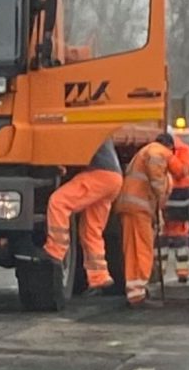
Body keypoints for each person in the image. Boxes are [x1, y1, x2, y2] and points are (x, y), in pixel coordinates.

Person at [40, 137, 125, 294]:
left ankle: (55, 250)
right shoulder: (98, 130)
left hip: (99, 174)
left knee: (59, 202)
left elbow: (71, 148)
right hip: (114, 178)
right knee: (91, 230)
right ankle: (99, 276)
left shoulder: (80, 128)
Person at [115, 131, 174, 307]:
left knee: (131, 250)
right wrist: (160, 192)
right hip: (139, 209)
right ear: (169, 147)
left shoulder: (142, 153)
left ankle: (135, 293)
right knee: (142, 250)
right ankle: (139, 292)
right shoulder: (157, 151)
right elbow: (156, 181)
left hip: (129, 206)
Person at [162, 122, 189, 285]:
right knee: (161, 233)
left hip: (178, 194)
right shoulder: (159, 147)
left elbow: (182, 171)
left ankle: (182, 272)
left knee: (179, 233)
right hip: (164, 192)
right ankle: (159, 271)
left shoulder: (183, 149)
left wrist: (168, 159)